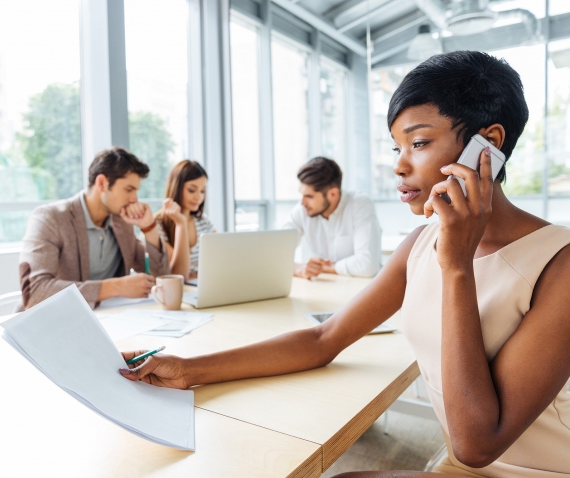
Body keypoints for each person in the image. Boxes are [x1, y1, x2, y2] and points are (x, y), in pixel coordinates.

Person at [118, 51, 570, 477]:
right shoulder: (420, 243)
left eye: (418, 142)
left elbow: (477, 444)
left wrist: (456, 268)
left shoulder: (560, 265)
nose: (399, 166)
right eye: (397, 149)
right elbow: (323, 338)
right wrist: (188, 369)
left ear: (486, 145)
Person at [19, 147, 185, 310]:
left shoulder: (122, 222)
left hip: (110, 321)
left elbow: (160, 280)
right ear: (102, 183)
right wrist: (115, 287)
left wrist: (149, 228)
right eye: (129, 189)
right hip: (54, 323)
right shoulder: (50, 218)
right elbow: (35, 292)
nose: (134, 199)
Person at [284, 157, 381, 279]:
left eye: (309, 196)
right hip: (323, 289)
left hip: (361, 290)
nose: (302, 202)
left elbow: (368, 265)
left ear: (333, 194)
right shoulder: (303, 209)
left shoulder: (359, 205)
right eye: (302, 194)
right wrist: (299, 268)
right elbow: (275, 254)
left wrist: (327, 268)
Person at [156, 160, 214, 279]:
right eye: (192, 190)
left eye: (202, 191)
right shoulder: (157, 224)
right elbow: (179, 274)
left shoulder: (203, 222)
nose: (198, 197)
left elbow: (220, 260)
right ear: (176, 187)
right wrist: (180, 223)